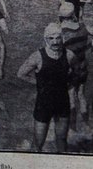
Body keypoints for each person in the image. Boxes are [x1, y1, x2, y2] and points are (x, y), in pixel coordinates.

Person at [18, 22, 76, 153]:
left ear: (63, 38)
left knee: (61, 140)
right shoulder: (38, 56)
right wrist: (40, 84)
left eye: (58, 38)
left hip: (63, 103)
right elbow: (21, 73)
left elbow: (76, 74)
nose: (55, 42)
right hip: (44, 104)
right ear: (45, 39)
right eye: (51, 38)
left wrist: (72, 93)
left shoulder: (69, 55)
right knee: (38, 143)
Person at [59, 2, 93, 131]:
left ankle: (72, 128)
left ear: (61, 16)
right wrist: (89, 45)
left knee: (71, 97)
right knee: (81, 96)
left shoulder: (61, 30)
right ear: (73, 14)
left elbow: (59, 51)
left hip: (69, 68)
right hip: (83, 67)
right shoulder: (83, 26)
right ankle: (86, 125)